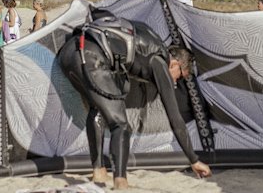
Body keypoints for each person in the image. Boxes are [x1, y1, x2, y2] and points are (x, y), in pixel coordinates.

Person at [57, 13, 211, 190]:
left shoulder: (147, 38)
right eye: (180, 77)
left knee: (97, 109)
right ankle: (121, 182)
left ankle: (99, 171)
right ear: (175, 64)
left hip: (70, 52)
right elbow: (175, 119)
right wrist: (194, 159)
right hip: (90, 55)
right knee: (121, 125)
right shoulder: (159, 61)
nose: (175, 82)